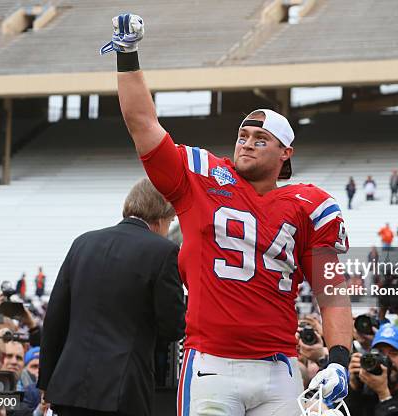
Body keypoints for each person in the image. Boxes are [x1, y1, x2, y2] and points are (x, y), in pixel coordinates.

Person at [106, 14, 352, 416]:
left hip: (280, 368)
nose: (247, 144)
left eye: (261, 139)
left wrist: (339, 357)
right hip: (212, 364)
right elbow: (142, 124)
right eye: (243, 136)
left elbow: (332, 290)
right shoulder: (201, 177)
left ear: (285, 153)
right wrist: (127, 54)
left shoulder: (309, 205)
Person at [38, 178, 186, 416]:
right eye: (170, 222)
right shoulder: (163, 251)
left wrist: (46, 380)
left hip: (69, 385)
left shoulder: (82, 243)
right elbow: (173, 327)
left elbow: (55, 317)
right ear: (160, 219)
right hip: (123, 390)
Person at [346, 324, 398, 416]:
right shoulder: (367, 387)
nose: (386, 359)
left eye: (393, 353)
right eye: (380, 353)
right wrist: (354, 387)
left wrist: (384, 395)